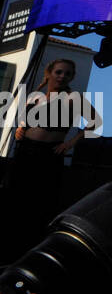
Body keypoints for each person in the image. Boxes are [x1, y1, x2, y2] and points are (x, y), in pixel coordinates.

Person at [5, 59, 101, 249]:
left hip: (49, 153)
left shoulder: (74, 98)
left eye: (67, 73)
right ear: (49, 73)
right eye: (58, 72)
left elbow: (95, 122)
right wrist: (20, 131)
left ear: (72, 77)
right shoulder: (35, 97)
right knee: (16, 198)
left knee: (42, 201)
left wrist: (71, 142)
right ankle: (11, 242)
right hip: (25, 150)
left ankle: (33, 244)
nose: (62, 76)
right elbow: (25, 122)